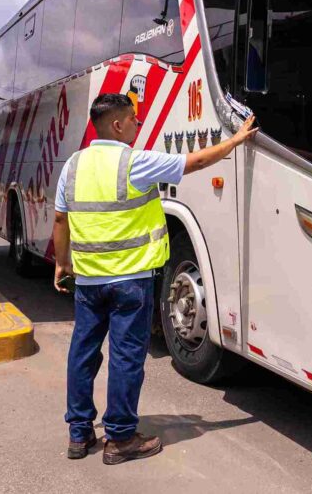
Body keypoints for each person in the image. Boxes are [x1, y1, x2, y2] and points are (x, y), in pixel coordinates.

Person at [52, 93, 257, 464]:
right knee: (126, 358)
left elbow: (61, 219)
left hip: (88, 283)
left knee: (82, 355)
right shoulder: (134, 162)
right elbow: (194, 161)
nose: (138, 124)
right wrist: (236, 140)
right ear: (116, 125)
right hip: (130, 281)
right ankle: (120, 439)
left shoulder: (74, 166)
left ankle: (79, 434)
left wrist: (62, 264)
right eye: (133, 119)